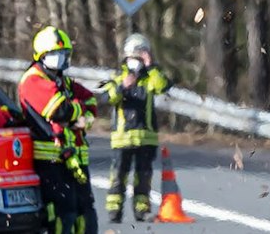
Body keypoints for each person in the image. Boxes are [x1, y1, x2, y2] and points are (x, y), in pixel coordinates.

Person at [16, 26, 99, 234]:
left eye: (64, 54)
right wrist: (78, 110)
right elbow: (61, 110)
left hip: (75, 158)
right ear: (42, 56)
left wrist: (83, 117)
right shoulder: (34, 80)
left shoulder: (62, 81)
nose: (61, 59)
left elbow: (90, 100)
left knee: (86, 213)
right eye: (56, 55)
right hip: (51, 161)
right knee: (64, 215)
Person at [105, 33, 171, 222]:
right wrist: (122, 88)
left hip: (146, 137)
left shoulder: (150, 78)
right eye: (134, 58)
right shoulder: (117, 77)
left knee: (143, 176)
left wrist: (151, 66)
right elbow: (108, 97)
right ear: (126, 57)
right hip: (122, 138)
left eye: (140, 58)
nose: (137, 62)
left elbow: (162, 86)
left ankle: (141, 209)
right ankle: (114, 210)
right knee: (118, 175)